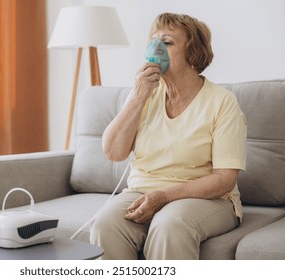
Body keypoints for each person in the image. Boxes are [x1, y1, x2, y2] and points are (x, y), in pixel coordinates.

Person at [89, 13, 247, 260]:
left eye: (168, 42)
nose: (155, 49)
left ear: (193, 53)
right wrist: (139, 96)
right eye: (153, 41)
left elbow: (225, 179)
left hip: (207, 198)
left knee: (169, 226)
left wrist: (164, 196)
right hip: (142, 191)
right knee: (105, 224)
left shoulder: (222, 102)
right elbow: (113, 152)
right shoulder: (145, 94)